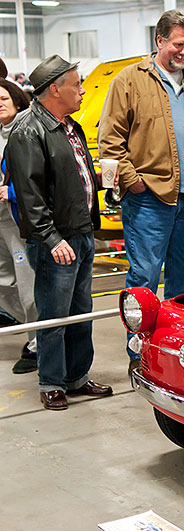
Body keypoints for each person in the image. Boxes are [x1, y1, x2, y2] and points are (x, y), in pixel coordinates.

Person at [98, 10, 184, 375]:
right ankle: (139, 351)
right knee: (145, 277)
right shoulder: (129, 82)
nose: (183, 52)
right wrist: (132, 180)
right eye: (178, 44)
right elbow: (110, 142)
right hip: (149, 197)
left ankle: (176, 348)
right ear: (160, 41)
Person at [7, 55, 113, 410]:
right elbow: (29, 194)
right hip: (57, 240)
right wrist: (52, 238)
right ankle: (51, 380)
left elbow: (72, 177)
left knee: (82, 309)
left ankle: (76, 377)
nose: (83, 91)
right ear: (55, 89)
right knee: (54, 313)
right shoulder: (27, 130)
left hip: (80, 232)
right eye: (77, 84)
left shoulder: (70, 125)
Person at [0, 79, 38, 374]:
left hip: (19, 219)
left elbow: (40, 177)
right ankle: (34, 329)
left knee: (28, 286)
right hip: (1, 221)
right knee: (3, 284)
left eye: (2, 98)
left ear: (16, 100)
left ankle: (38, 342)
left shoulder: (28, 130)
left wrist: (10, 192)